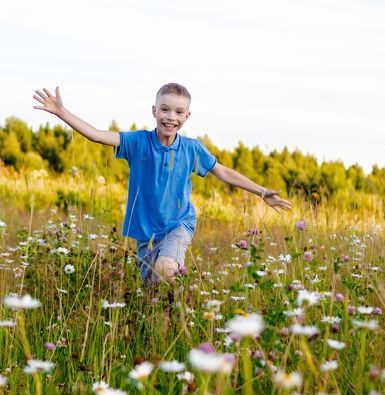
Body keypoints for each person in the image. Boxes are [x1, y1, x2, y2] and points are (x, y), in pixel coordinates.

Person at [33, 83, 292, 285]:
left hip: (179, 224)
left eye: (179, 112)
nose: (171, 117)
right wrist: (62, 112)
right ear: (154, 111)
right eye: (165, 109)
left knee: (167, 269)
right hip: (145, 232)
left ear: (187, 116)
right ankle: (171, 320)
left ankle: (186, 310)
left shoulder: (192, 149)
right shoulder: (138, 142)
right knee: (155, 288)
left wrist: (261, 192)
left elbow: (222, 171)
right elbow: (97, 136)